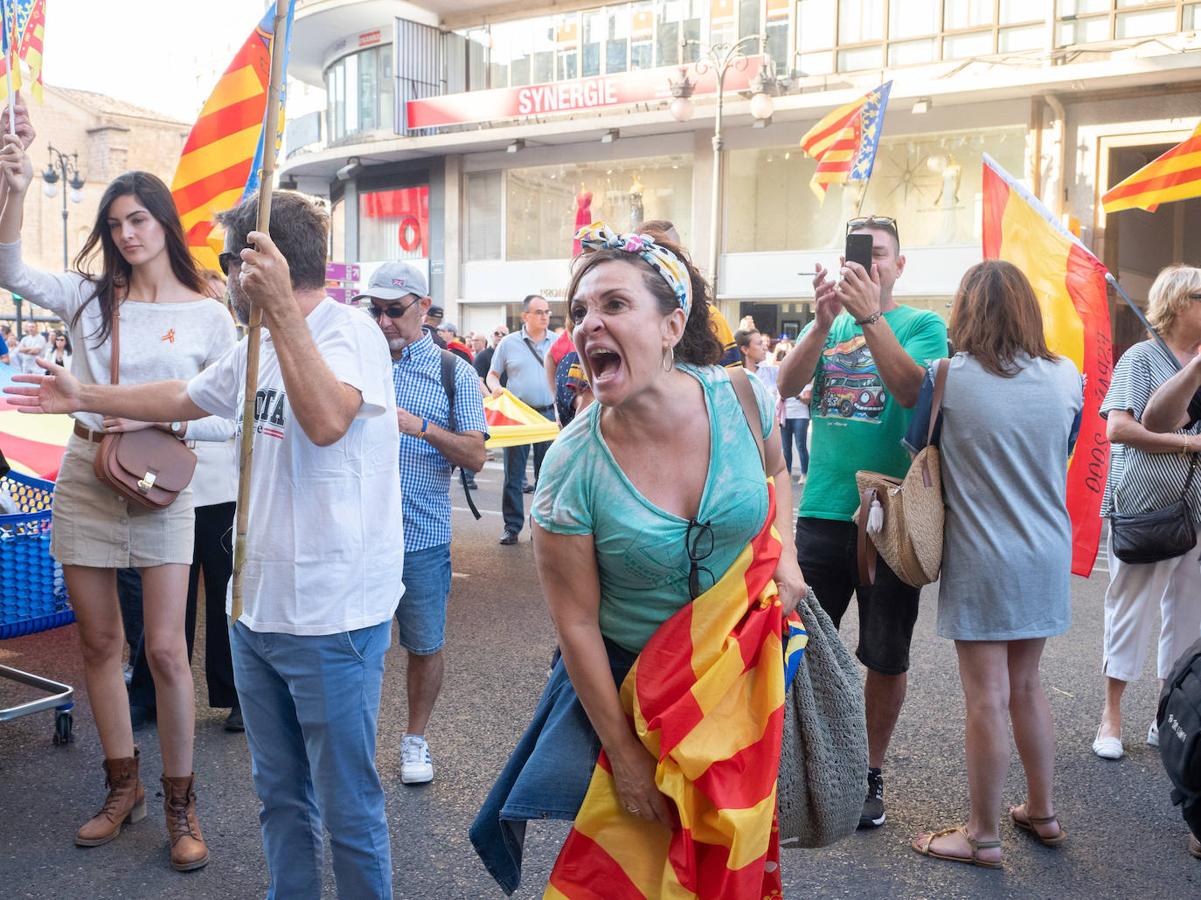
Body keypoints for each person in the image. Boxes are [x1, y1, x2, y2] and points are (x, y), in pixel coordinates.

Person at [8, 189, 403, 898]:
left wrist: (280, 308)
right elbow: (182, 396)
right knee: (280, 803)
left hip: (334, 616)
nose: (221, 278)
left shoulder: (349, 334)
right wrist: (85, 398)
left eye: (231, 261)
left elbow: (325, 421)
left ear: (265, 265)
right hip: (255, 612)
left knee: (347, 809)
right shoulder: (252, 343)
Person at [471, 222, 805, 894]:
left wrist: (788, 558)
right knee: (633, 871)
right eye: (580, 312)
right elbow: (576, 627)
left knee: (725, 844)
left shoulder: (742, 398)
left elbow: (775, 475)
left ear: (671, 325)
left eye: (614, 306)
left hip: (736, 680)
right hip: (629, 694)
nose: (588, 325)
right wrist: (623, 757)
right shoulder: (571, 464)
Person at [0, 103, 235, 871]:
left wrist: (165, 430)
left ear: (165, 223)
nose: (128, 234)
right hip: (85, 477)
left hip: (164, 491)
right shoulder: (89, 297)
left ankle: (180, 801)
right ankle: (120, 786)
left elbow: (222, 418)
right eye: (117, 223)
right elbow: (9, 268)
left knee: (167, 651)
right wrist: (17, 184)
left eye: (139, 220)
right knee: (101, 644)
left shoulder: (209, 314)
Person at [907, 260, 1081, 868]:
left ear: (964, 312)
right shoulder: (1067, 376)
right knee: (1028, 685)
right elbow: (1064, 446)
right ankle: (1043, 810)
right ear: (1029, 312)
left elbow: (915, 447)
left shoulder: (948, 376)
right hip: (1045, 548)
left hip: (982, 553)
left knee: (986, 695)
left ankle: (981, 835)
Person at [777, 215, 948, 829]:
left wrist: (872, 318)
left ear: (899, 267)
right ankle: (793, 761)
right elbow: (786, 384)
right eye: (860, 253)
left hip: (894, 516)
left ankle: (870, 771)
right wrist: (822, 323)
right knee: (798, 644)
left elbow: (912, 392)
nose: (869, 263)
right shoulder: (833, 325)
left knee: (885, 655)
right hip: (823, 508)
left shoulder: (924, 325)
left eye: (879, 255)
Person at [355, 262, 487, 786]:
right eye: (376, 309)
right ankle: (355, 740)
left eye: (395, 310)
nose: (384, 321)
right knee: (354, 646)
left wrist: (421, 427)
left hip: (422, 537)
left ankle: (415, 739)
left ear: (423, 308)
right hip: (358, 536)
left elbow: (476, 455)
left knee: (424, 644)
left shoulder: (454, 371)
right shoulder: (358, 362)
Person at [1089, 265, 1201, 763]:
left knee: (1189, 618)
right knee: (1131, 608)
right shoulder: (1142, 356)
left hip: (1195, 508)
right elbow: (1118, 429)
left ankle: (1167, 714)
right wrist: (1186, 444)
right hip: (1144, 505)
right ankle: (1111, 715)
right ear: (1179, 303)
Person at [487, 294, 554, 545]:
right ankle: (512, 527)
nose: (545, 316)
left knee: (546, 476)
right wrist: (496, 388)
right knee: (513, 476)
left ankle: (541, 528)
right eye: (539, 312)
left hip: (547, 417)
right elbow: (492, 375)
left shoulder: (557, 342)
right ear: (525, 316)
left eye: (547, 311)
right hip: (518, 416)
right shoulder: (509, 343)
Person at [779, 380, 812, 481]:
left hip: (801, 416)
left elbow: (807, 400)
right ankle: (787, 474)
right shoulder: (783, 385)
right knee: (786, 448)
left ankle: (804, 474)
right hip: (785, 417)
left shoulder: (806, 385)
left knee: (801, 445)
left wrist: (796, 395)